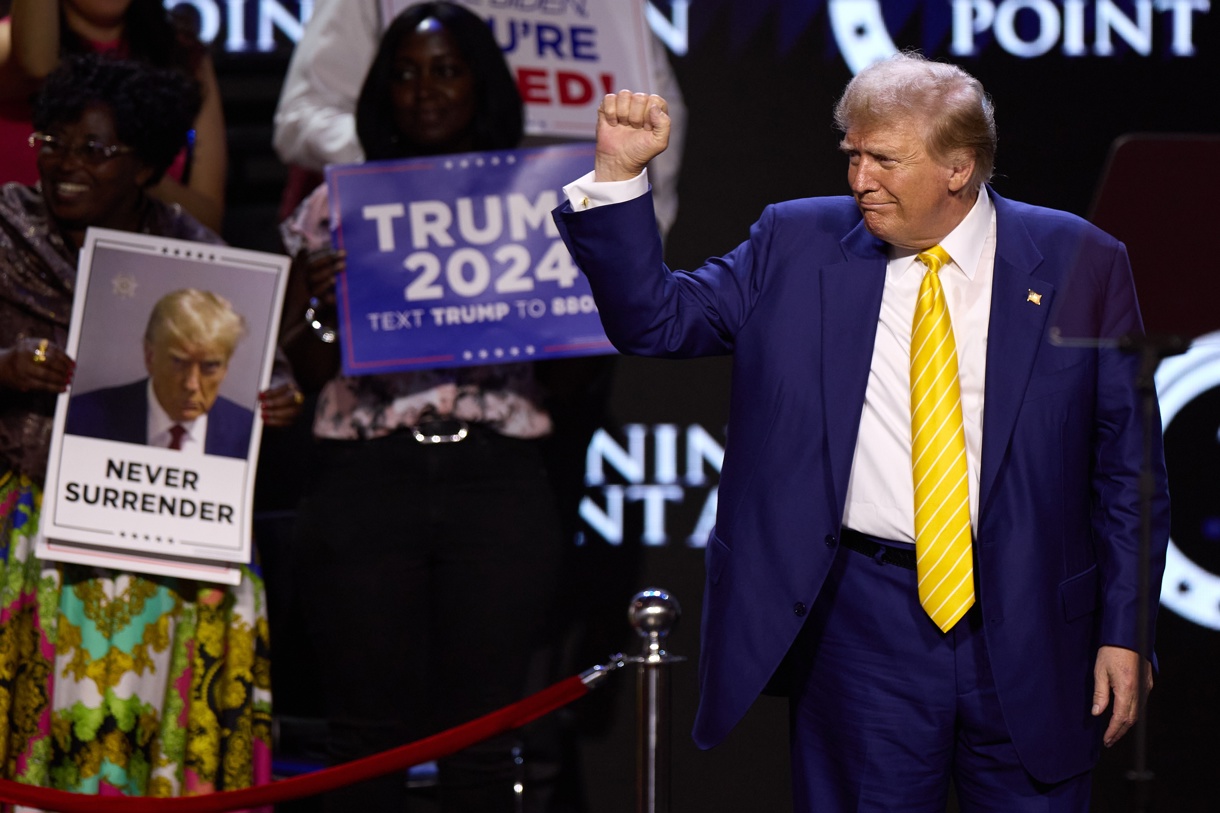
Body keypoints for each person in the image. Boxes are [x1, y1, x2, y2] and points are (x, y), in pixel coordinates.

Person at [553, 53, 1170, 811]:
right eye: (852, 154)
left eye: (885, 159)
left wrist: (1126, 629)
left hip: (1035, 621)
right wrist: (618, 178)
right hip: (863, 627)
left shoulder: (1083, 261)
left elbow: (1128, 469)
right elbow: (656, 320)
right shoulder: (796, 241)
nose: (859, 179)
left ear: (959, 167)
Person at [279, 4, 563, 810]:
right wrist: (315, 303)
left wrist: (573, 291)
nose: (424, 90)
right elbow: (303, 374)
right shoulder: (330, 208)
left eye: (445, 70)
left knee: (483, 737)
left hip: (496, 480)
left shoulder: (538, 206)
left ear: (482, 84)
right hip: (365, 483)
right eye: (403, 73)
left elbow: (575, 384)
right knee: (364, 739)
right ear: (379, 91)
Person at [0, 54, 300, 800]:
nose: (66, 165)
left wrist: (279, 397)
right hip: (31, 533)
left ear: (143, 167)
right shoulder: (5, 228)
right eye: (53, 143)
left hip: (172, 539)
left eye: (94, 151)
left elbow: (265, 362)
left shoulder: (194, 252)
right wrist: (5, 365)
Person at [271, 0, 686, 239]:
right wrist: (421, 167)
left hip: (562, 264)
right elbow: (300, 118)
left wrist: (633, 259)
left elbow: (657, 121)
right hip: (397, 249)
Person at [0, 0, 227, 231]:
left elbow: (207, 221)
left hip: (132, 261)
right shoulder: (12, 46)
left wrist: (132, 170)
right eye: (56, 143)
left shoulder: (182, 55)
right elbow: (36, 65)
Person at [65, 289, 256, 459]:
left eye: (210, 366)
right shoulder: (82, 419)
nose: (191, 385)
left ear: (225, 369)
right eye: (178, 362)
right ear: (149, 357)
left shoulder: (250, 435)